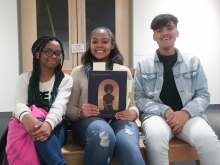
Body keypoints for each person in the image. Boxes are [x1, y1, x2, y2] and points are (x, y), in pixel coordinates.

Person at [134, 14, 220, 165]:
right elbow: (140, 97)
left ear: (177, 32)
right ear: (154, 36)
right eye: (159, 30)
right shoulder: (143, 64)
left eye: (170, 28)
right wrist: (165, 110)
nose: (165, 33)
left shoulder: (193, 61)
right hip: (156, 116)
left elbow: (203, 94)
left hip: (189, 116)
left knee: (209, 139)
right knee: (155, 139)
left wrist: (185, 113)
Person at [66, 27, 145, 165]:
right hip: (88, 123)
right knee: (103, 135)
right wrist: (80, 113)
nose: (99, 46)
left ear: (112, 45)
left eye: (105, 41)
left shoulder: (123, 72)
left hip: (118, 120)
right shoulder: (78, 72)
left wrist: (133, 113)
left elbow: (133, 105)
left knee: (127, 142)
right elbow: (69, 109)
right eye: (95, 42)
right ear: (90, 45)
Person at [2, 36, 73, 165]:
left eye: (58, 53)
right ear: (37, 54)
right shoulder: (25, 78)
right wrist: (27, 118)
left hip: (55, 124)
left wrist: (48, 124)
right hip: (26, 123)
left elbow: (59, 107)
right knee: (37, 136)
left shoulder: (65, 79)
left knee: (41, 144)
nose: (54, 56)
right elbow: (19, 104)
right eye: (49, 51)